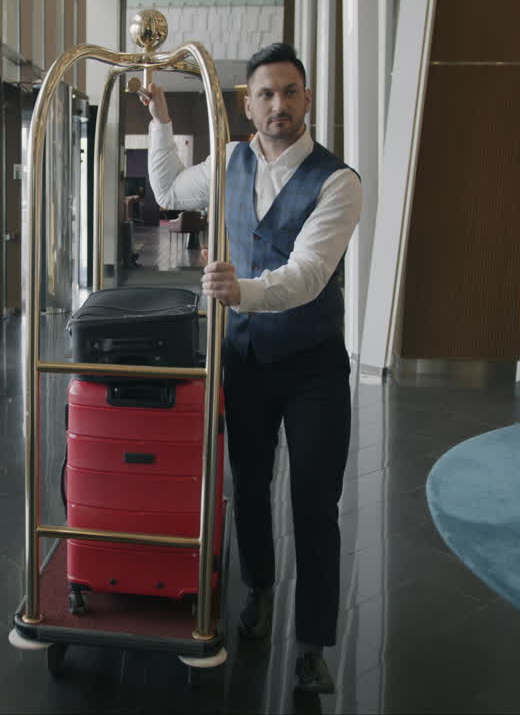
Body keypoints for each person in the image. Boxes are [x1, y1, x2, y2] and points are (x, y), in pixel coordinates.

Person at [140, 43, 363, 694]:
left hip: (314, 365)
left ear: (307, 99)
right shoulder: (232, 159)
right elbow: (166, 189)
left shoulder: (338, 181)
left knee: (315, 504)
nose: (279, 105)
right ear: (248, 103)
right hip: (244, 358)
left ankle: (314, 642)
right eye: (266, 94)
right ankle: (260, 590)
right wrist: (158, 119)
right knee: (250, 485)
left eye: (290, 93)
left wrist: (243, 291)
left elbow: (308, 275)